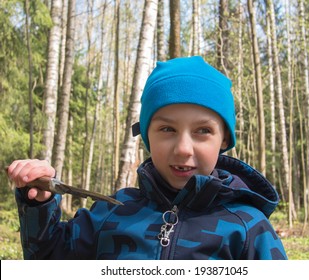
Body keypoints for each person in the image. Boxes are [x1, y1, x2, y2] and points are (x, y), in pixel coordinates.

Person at [7, 56, 287, 260]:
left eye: (203, 131)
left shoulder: (248, 228)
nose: (183, 149)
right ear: (147, 136)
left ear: (224, 139)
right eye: (167, 129)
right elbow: (47, 259)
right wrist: (38, 205)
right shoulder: (112, 213)